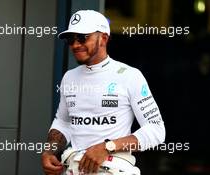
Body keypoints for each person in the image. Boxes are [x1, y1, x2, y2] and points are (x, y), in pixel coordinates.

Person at [41, 9, 165, 175]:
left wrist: (107, 147)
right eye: (71, 39)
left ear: (103, 38)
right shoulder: (69, 78)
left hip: (114, 169)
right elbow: (63, 122)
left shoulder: (130, 76)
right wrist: (50, 152)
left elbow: (156, 130)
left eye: (83, 37)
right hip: (74, 169)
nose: (76, 44)